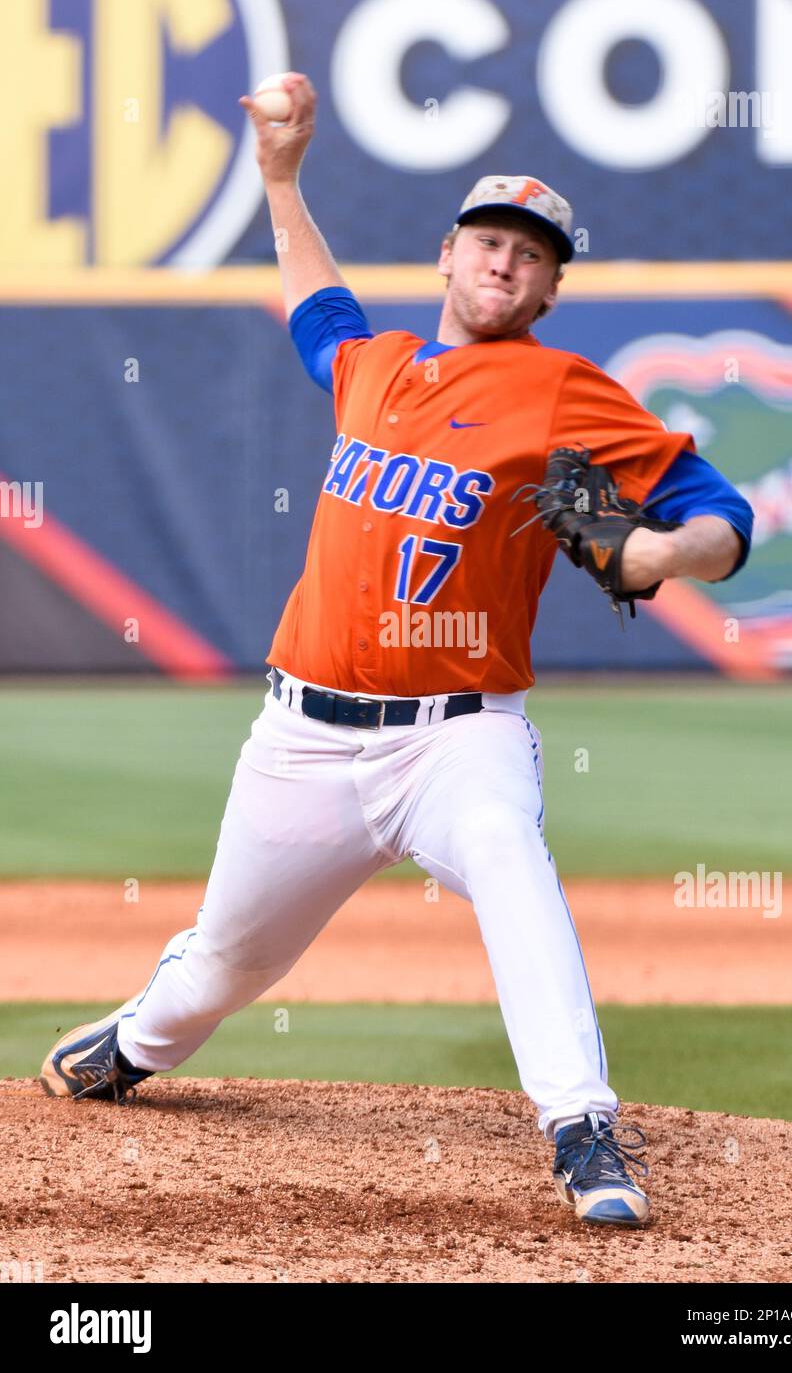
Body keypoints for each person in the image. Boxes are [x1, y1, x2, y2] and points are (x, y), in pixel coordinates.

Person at [41, 74, 753, 1229]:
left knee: (513, 871)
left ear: (551, 286)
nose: (504, 262)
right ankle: (135, 1041)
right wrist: (279, 177)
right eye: (487, 240)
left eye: (530, 253)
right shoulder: (372, 369)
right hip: (302, 741)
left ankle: (580, 1128)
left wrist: (655, 557)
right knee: (225, 964)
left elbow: (723, 519)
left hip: (455, 737)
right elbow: (314, 303)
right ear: (448, 254)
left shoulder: (565, 391)